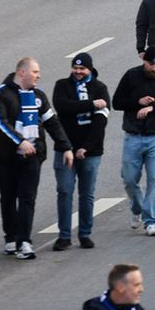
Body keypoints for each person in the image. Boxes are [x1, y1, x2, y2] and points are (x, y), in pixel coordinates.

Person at [0, 57, 72, 259]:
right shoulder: (2, 94)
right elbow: (0, 122)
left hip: (33, 156)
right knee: (8, 197)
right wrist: (19, 142)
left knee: (27, 198)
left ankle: (24, 243)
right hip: (7, 157)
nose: (39, 76)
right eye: (35, 72)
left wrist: (65, 146)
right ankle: (11, 238)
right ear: (22, 72)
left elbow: (52, 122)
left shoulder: (38, 96)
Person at [113, 49, 155, 236]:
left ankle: (151, 220)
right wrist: (137, 102)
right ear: (145, 62)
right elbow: (117, 102)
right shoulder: (131, 76)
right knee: (129, 179)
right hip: (133, 135)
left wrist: (153, 108)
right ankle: (137, 208)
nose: (154, 68)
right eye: (151, 64)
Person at [51, 53, 109, 250]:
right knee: (65, 191)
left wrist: (87, 147)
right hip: (64, 148)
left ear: (90, 70)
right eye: (75, 68)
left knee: (87, 194)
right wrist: (90, 105)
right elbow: (62, 107)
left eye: (82, 69)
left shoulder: (100, 88)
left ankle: (85, 233)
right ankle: (64, 236)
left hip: (91, 151)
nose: (78, 72)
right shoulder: (62, 85)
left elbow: (101, 121)